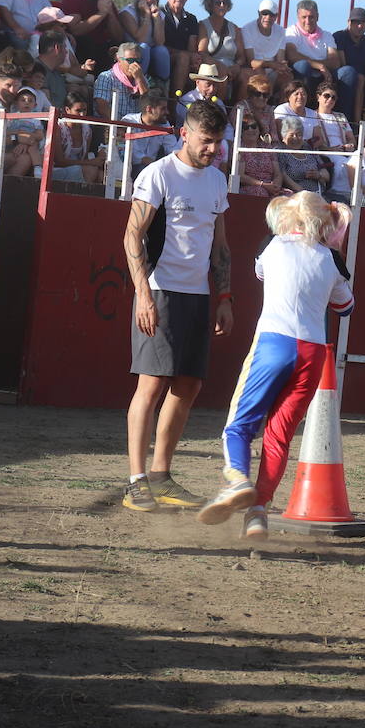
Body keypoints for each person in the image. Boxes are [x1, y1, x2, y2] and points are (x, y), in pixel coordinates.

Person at [198, 192, 353, 537]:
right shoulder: (333, 260)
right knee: (278, 437)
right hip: (312, 352)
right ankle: (257, 512)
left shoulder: (273, 245)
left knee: (238, 426)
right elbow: (345, 308)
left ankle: (238, 479)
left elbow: (262, 275)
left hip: (273, 342)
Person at [122, 99, 233, 512]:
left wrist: (224, 297)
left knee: (188, 385)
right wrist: (143, 294)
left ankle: (161, 475)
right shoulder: (158, 174)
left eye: (218, 143)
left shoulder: (217, 182)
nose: (212, 150)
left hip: (197, 295)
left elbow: (220, 247)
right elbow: (132, 237)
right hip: (162, 290)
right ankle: (136, 481)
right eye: (207, 141)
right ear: (184, 133)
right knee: (150, 385)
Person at [59, 0, 123, 69]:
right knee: (86, 41)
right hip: (81, 46)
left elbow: (118, 37)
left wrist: (110, 13)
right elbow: (75, 30)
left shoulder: (106, 2)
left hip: (103, 46)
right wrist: (101, 13)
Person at [193, 0, 245, 101]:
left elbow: (241, 56)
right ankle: (219, 108)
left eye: (225, 2)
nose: (222, 5)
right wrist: (221, 67)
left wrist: (237, 66)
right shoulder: (203, 26)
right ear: (210, 5)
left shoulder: (234, 28)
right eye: (218, 2)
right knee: (220, 75)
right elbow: (202, 52)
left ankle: (238, 112)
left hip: (232, 68)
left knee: (246, 77)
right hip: (211, 67)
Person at [283, 0, 342, 96]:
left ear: (317, 17)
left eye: (311, 17)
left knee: (347, 72)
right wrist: (319, 66)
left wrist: (318, 66)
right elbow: (292, 55)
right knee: (303, 65)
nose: (308, 21)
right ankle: (302, 105)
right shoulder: (292, 31)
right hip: (303, 73)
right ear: (298, 17)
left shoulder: (327, 35)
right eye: (304, 17)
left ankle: (343, 110)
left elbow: (335, 62)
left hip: (324, 74)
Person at [118, 0, 170, 85]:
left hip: (151, 51)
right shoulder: (127, 12)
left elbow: (159, 42)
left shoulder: (160, 15)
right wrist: (146, 15)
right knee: (144, 47)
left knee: (162, 50)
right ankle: (137, 83)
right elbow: (140, 38)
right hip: (131, 51)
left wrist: (156, 20)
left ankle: (162, 85)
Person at [332, 6, 365, 121]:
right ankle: (355, 123)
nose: (359, 26)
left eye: (362, 22)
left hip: (362, 81)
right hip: (342, 76)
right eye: (355, 22)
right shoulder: (339, 36)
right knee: (356, 76)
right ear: (349, 22)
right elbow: (341, 64)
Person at [159, 0, 200, 100]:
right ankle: (173, 105)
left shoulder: (192, 19)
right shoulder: (159, 13)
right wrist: (187, 55)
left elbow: (192, 49)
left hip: (182, 59)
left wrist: (193, 58)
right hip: (162, 57)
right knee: (183, 58)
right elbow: (159, 44)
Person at [50, 92, 105, 183]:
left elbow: (84, 158)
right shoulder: (58, 128)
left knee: (101, 176)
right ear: (67, 109)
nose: (82, 114)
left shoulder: (87, 130)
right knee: (90, 170)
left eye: (84, 110)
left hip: (80, 168)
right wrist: (91, 162)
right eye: (78, 110)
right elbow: (59, 161)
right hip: (56, 171)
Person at [314, 82, 355, 202]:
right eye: (327, 96)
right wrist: (332, 150)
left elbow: (351, 138)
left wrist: (350, 145)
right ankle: (340, 195)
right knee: (342, 163)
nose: (330, 99)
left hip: (344, 151)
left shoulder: (340, 116)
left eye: (333, 97)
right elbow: (317, 142)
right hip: (325, 151)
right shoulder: (312, 115)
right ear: (318, 97)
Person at [276, 115, 328, 194]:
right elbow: (283, 175)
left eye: (299, 134)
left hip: (318, 193)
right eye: (291, 135)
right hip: (296, 195)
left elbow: (325, 172)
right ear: (283, 137)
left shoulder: (307, 147)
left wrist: (319, 175)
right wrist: (303, 192)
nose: (295, 138)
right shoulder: (280, 151)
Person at [95, 41, 148, 120]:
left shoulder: (141, 78)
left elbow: (148, 105)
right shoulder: (107, 77)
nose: (134, 64)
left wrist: (140, 80)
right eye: (130, 60)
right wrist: (118, 127)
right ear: (119, 60)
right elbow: (102, 107)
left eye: (138, 61)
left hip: (135, 126)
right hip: (111, 125)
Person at [236, 114, 281, 197]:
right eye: (245, 127)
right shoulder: (240, 149)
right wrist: (263, 185)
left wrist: (276, 186)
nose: (250, 129)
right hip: (251, 187)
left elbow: (278, 173)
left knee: (288, 196)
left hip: (270, 186)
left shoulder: (267, 147)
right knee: (260, 192)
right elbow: (241, 176)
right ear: (240, 131)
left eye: (253, 126)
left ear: (259, 129)